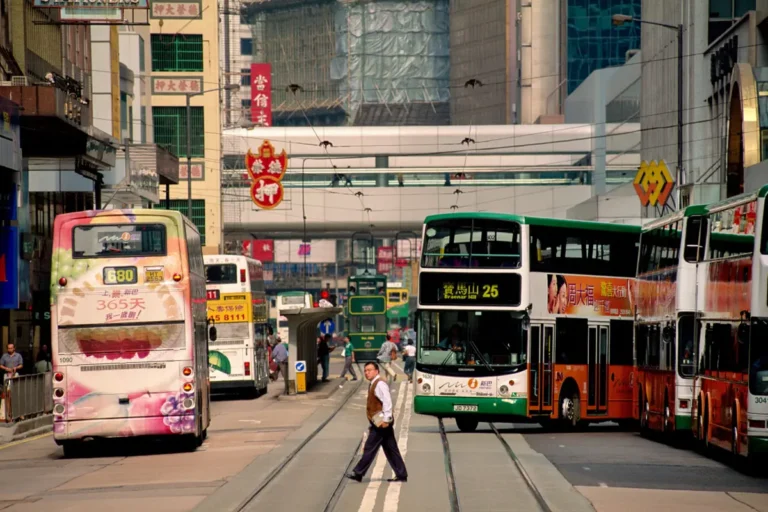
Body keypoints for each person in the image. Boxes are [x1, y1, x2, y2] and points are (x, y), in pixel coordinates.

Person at [346, 362, 408, 483]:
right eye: (365, 370)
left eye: (369, 370)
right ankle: (401, 474)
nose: (367, 372)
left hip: (381, 423)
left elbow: (387, 401)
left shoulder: (379, 384)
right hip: (378, 421)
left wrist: (386, 419)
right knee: (391, 448)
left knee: (370, 447)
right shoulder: (373, 383)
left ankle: (358, 472)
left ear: (376, 371)